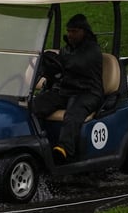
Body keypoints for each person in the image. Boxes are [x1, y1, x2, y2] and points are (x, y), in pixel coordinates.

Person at [33, 13, 103, 163]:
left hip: (88, 92)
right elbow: (61, 68)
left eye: (74, 31)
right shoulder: (66, 50)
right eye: (69, 31)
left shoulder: (93, 50)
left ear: (84, 31)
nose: (70, 35)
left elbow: (78, 64)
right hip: (66, 91)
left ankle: (64, 150)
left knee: (73, 113)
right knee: (35, 105)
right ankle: (37, 141)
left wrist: (58, 61)